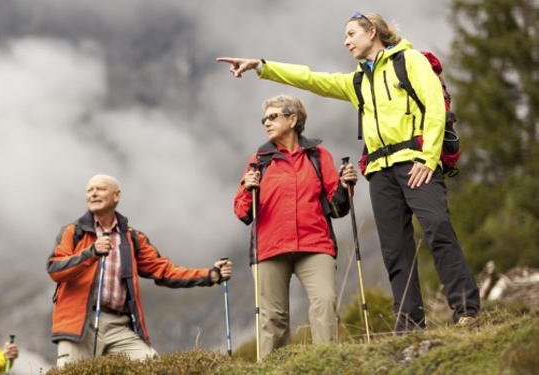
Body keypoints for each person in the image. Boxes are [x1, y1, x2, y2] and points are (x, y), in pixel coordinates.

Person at [217, 12, 479, 331]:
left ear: (372, 32)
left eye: (351, 34)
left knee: (438, 229)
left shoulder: (409, 60)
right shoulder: (357, 81)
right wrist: (261, 66)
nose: (346, 41)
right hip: (380, 172)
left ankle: (465, 309)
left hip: (416, 162)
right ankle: (409, 323)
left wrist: (427, 158)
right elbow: (311, 78)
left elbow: (435, 108)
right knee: (395, 249)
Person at [47, 174, 233, 367]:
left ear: (116, 196)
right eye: (89, 190)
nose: (93, 194)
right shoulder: (72, 232)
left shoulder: (132, 238)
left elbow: (164, 271)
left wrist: (211, 275)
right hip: (79, 326)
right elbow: (55, 269)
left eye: (100, 189)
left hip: (118, 325)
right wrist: (91, 253)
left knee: (153, 366)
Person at [235, 94, 356, 356]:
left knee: (325, 302)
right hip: (270, 248)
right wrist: (248, 188)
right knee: (273, 318)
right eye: (264, 118)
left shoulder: (318, 156)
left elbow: (338, 208)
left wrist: (346, 186)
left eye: (273, 116)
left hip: (315, 244)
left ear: (293, 119)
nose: (266, 122)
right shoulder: (259, 159)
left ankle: (327, 364)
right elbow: (242, 212)